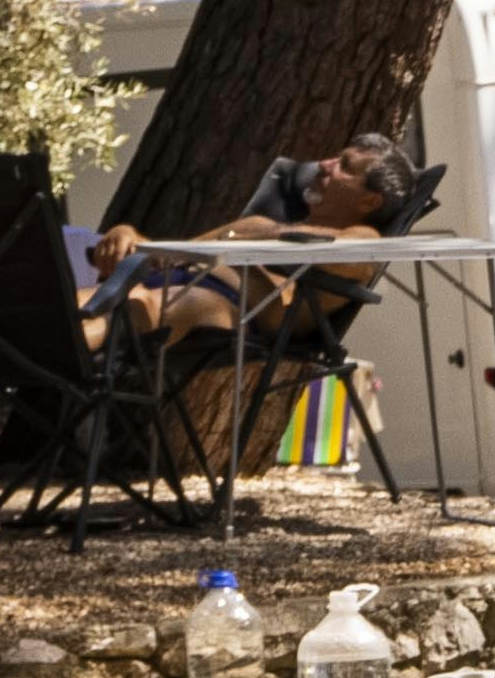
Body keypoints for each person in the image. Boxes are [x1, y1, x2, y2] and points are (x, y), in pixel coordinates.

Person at [105, 137, 429, 468]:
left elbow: (344, 254)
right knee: (99, 300)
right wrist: (127, 235)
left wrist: (248, 242)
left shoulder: (364, 238)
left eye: (344, 166)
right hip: (164, 288)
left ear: (369, 200)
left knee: (140, 306)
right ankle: (67, 339)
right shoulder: (257, 225)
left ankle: (74, 346)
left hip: (217, 309)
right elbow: (171, 254)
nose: (323, 164)